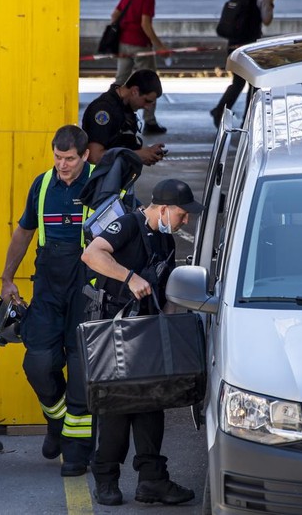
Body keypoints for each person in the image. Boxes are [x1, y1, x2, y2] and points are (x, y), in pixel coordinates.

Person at [81, 179, 203, 507]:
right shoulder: (128, 225)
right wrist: (129, 277)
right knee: (116, 405)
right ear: (163, 208)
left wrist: (172, 323)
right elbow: (92, 254)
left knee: (152, 402)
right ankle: (105, 479)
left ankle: (152, 481)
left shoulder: (166, 241)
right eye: (182, 214)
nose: (185, 221)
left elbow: (169, 291)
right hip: (115, 329)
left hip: (149, 330)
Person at [0, 125, 96, 477]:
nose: (62, 165)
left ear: (85, 156)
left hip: (88, 292)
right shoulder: (42, 185)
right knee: (37, 364)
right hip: (49, 290)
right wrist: (7, 278)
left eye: (69, 159)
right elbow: (24, 232)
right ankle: (56, 422)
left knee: (83, 372)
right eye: (57, 157)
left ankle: (77, 451)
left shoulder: (104, 184)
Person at [210, 0, 279, 128]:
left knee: (238, 82)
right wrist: (271, 0)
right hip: (249, 46)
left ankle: (220, 109)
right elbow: (267, 20)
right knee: (254, 83)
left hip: (233, 45)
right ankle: (248, 118)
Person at [111, 0, 168, 134]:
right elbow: (145, 24)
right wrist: (159, 46)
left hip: (124, 44)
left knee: (120, 81)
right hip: (140, 46)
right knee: (150, 82)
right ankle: (149, 122)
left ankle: (112, 112)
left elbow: (114, 15)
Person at [82, 69, 166, 167]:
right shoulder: (104, 110)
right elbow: (94, 157)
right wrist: (138, 155)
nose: (147, 107)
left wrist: (147, 152)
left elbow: (119, 145)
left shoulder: (125, 107)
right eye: (146, 101)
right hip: (99, 179)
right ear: (135, 91)